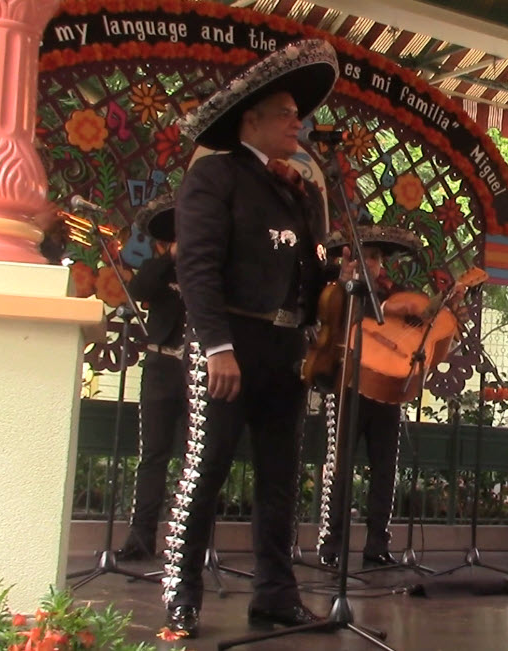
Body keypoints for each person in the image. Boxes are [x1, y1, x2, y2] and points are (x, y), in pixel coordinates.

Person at [161, 38, 342, 639]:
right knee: (206, 468)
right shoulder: (216, 175)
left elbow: (309, 274)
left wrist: (336, 269)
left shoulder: (301, 189)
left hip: (286, 350)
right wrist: (216, 346)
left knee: (279, 477)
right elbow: (198, 268)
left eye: (299, 114)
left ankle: (276, 594)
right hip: (229, 342)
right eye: (286, 113)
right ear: (252, 120)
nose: (299, 122)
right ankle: (180, 595)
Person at [314, 223, 425, 569]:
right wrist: (348, 287)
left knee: (385, 467)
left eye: (375, 258)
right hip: (346, 388)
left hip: (384, 391)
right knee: (340, 466)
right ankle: (331, 543)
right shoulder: (339, 290)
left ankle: (378, 543)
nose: (371, 264)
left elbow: (417, 329)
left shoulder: (395, 297)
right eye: (364, 257)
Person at [115, 193, 187, 562]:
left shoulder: (211, 270)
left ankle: (189, 542)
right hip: (160, 367)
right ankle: (140, 538)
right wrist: (170, 257)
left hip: (196, 370)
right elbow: (141, 291)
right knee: (153, 455)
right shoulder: (159, 269)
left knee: (197, 458)